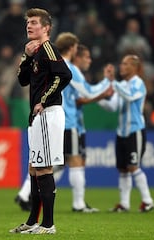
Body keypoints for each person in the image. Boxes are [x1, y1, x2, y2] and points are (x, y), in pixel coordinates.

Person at [9, 8, 71, 234]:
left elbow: (64, 75)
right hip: (37, 116)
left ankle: (48, 224)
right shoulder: (35, 51)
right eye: (28, 22)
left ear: (46, 28)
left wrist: (44, 100)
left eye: (34, 22)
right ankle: (33, 221)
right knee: (34, 169)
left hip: (48, 113)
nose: (29, 25)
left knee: (44, 168)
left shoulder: (48, 48)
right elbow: (23, 80)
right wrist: (25, 56)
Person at [55, 34, 113, 213]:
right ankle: (78, 204)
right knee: (75, 161)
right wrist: (106, 83)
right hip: (68, 122)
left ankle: (34, 197)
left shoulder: (53, 65)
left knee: (55, 163)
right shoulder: (69, 68)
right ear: (72, 48)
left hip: (53, 120)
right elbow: (86, 92)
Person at [98, 55, 154, 213]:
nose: (121, 66)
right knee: (123, 169)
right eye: (121, 63)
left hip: (135, 131)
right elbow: (112, 107)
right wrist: (95, 98)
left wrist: (113, 82)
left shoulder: (139, 84)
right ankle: (124, 204)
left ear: (135, 68)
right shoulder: (122, 84)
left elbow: (130, 97)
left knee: (133, 166)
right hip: (121, 132)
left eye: (125, 64)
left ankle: (148, 201)